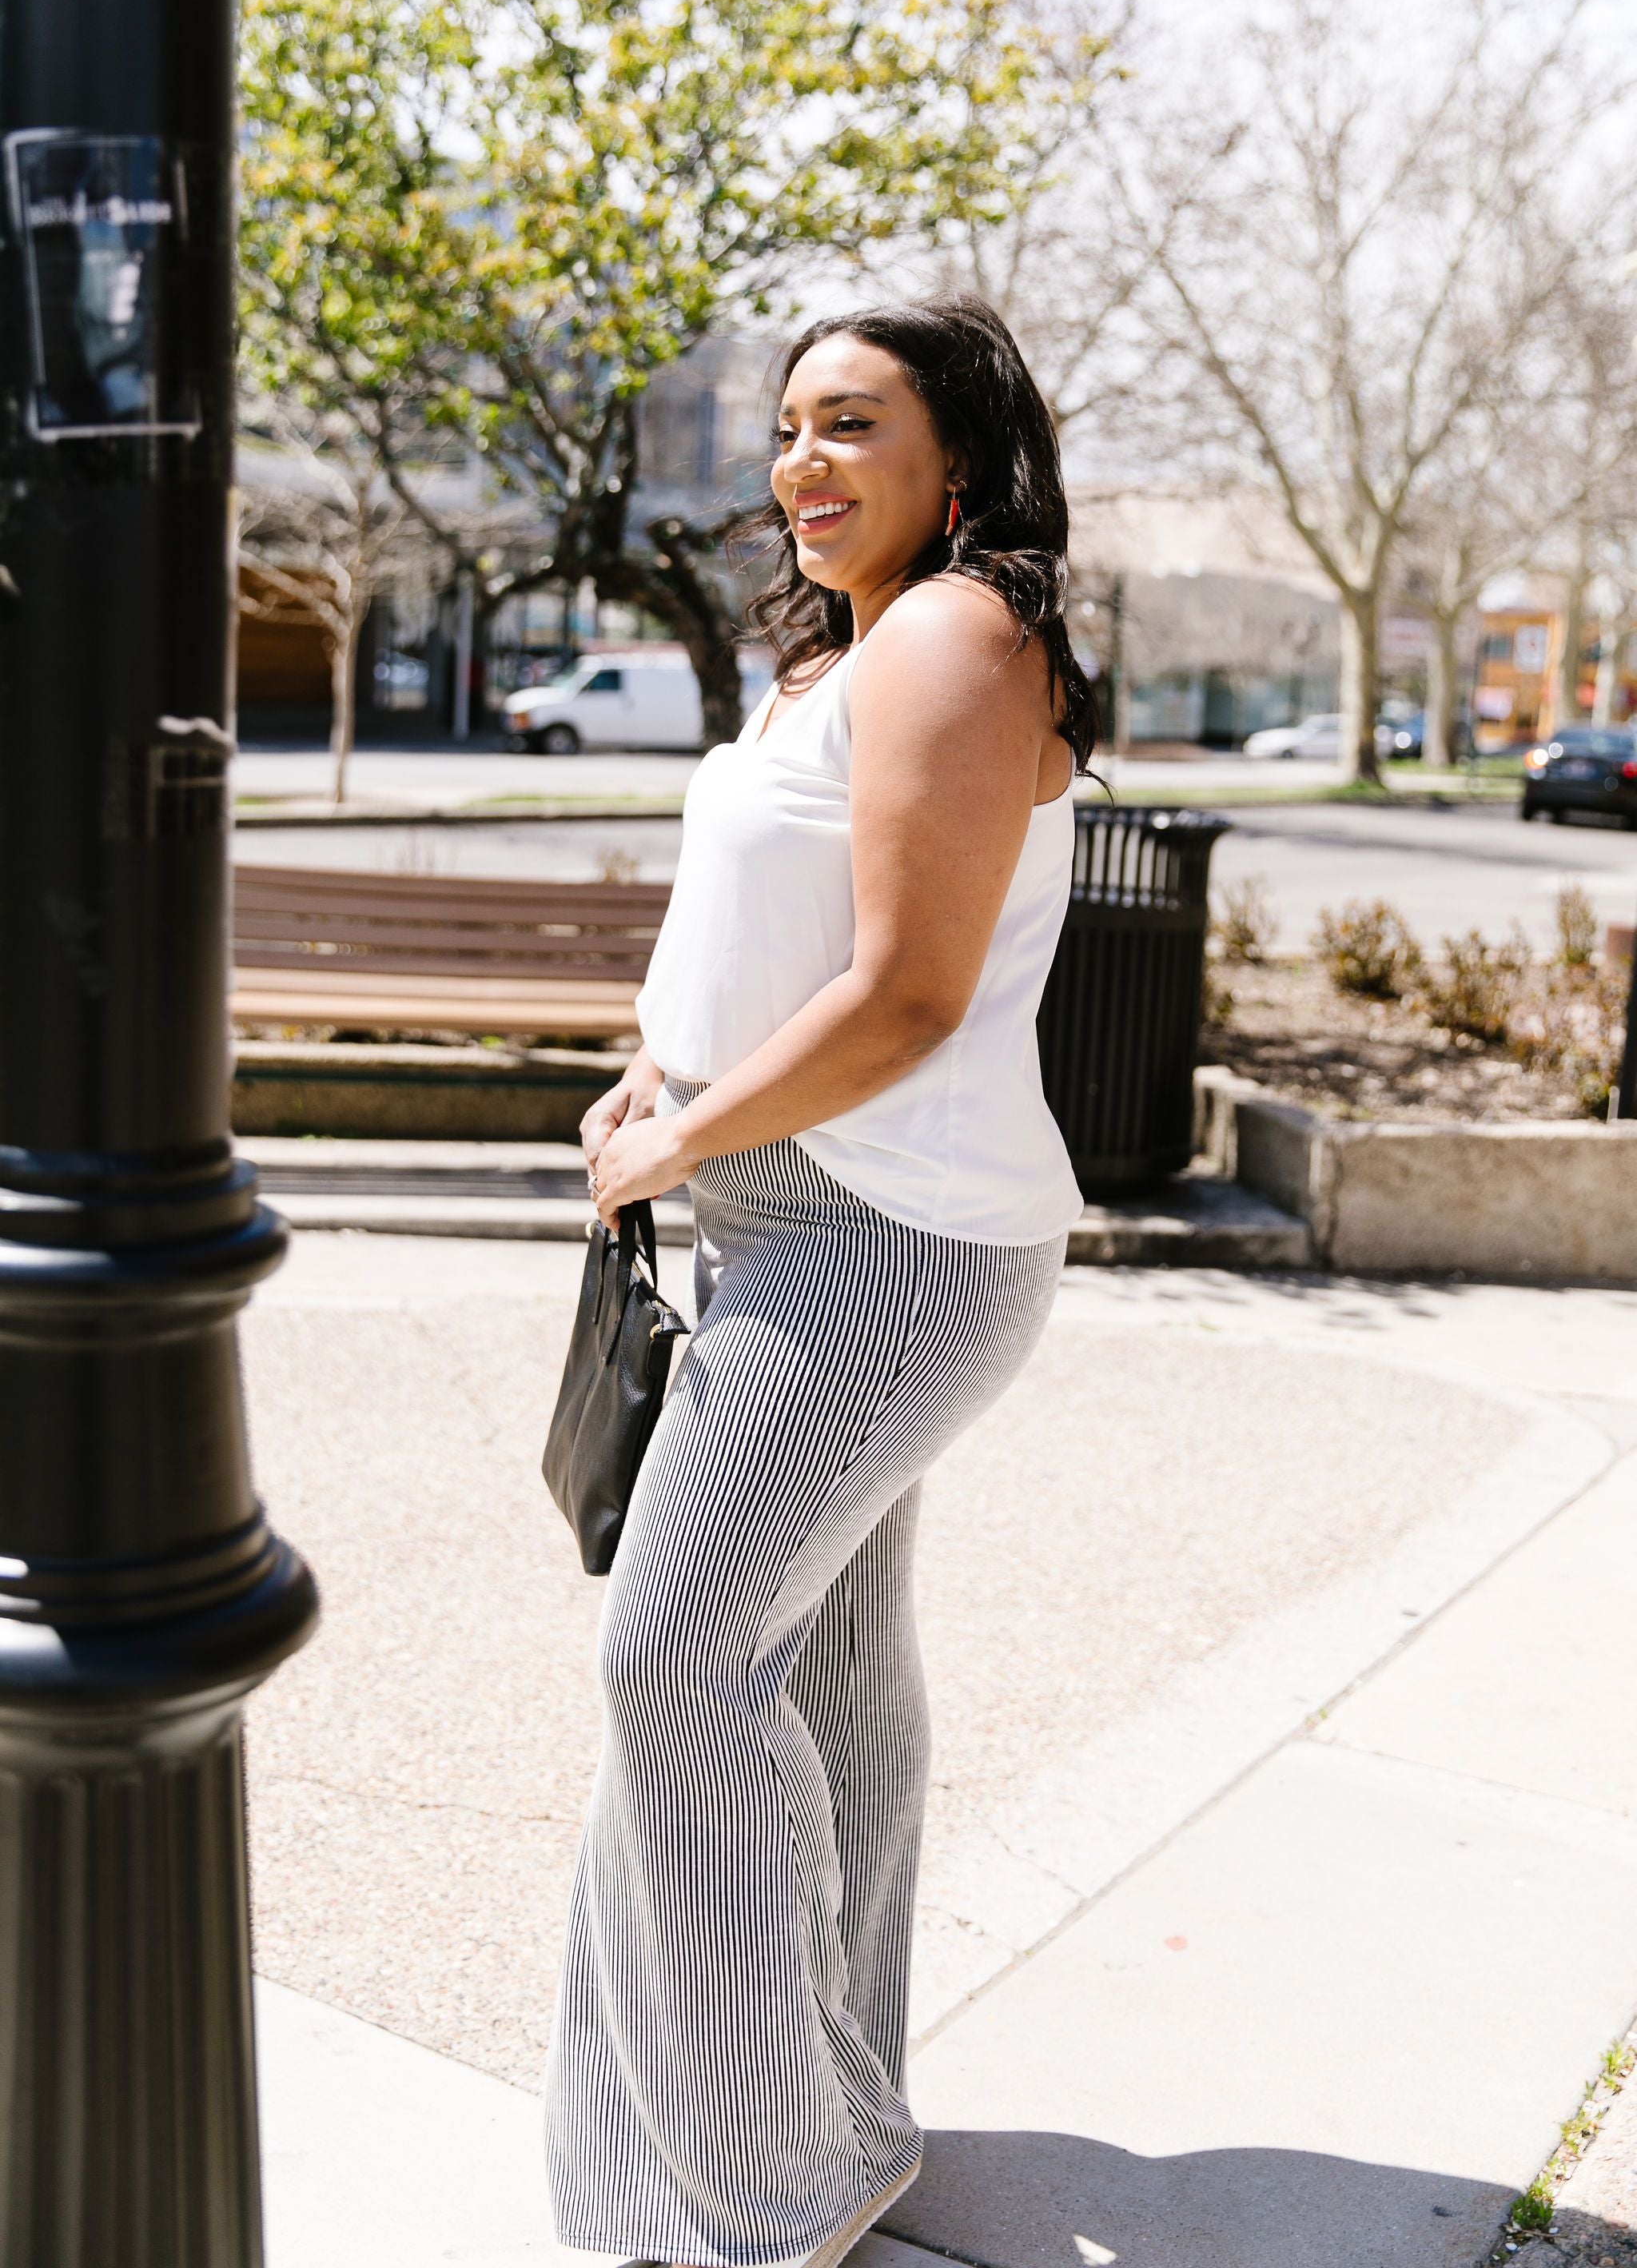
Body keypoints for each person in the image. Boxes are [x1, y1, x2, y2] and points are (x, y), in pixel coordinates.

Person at [544, 293, 1097, 2268]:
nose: (802, 464)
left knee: (673, 1662)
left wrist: (686, 1135)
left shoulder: (959, 629)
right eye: (788, 428)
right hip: (791, 1205)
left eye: (853, 426)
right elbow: (775, 929)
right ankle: (829, 2098)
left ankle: (775, 2176)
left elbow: (910, 993)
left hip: (879, 1237)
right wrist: (665, 1067)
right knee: (836, 1668)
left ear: (963, 458)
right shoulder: (846, 649)